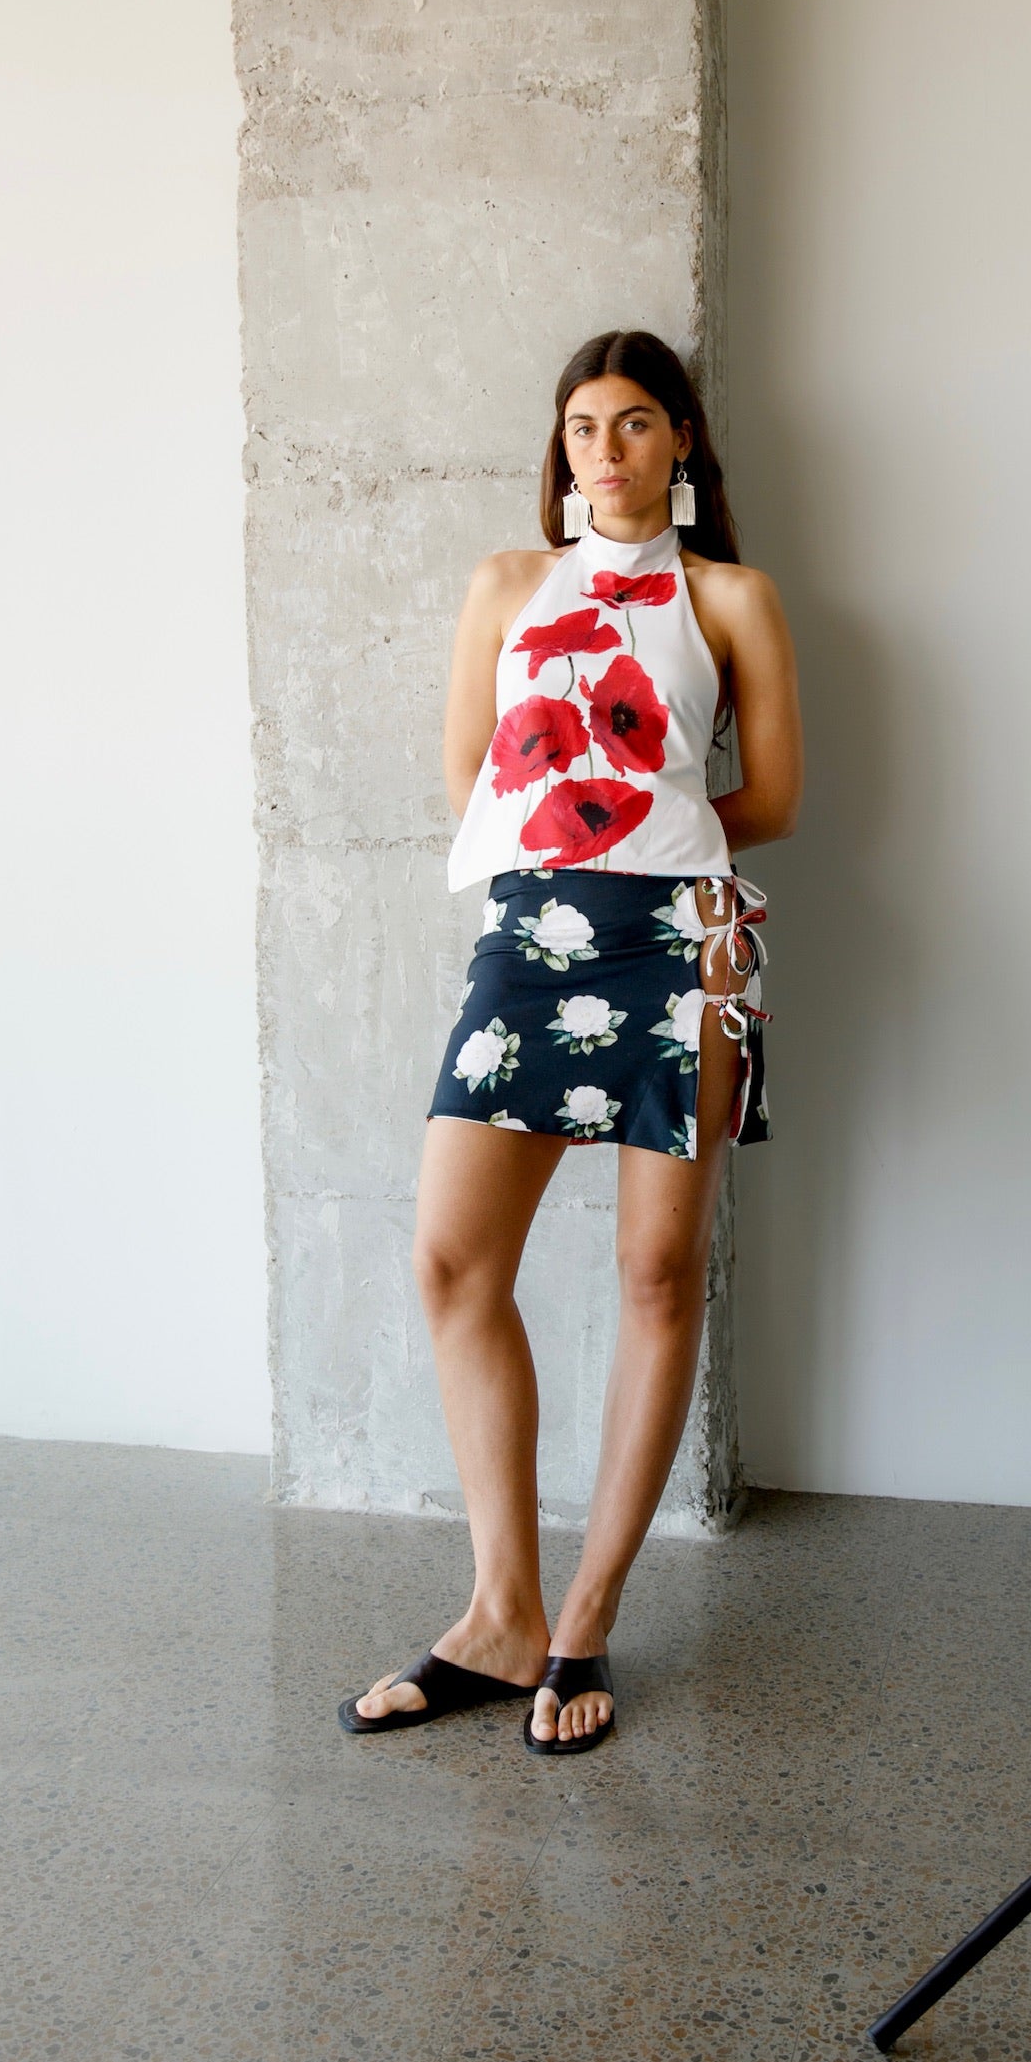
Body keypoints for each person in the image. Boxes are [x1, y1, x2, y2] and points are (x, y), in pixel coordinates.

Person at [337, 329, 803, 1753]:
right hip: (528, 937)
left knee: (656, 1274)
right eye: (584, 425)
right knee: (451, 1261)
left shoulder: (731, 596)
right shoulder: (506, 585)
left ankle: (584, 1618)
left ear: (682, 442)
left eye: (637, 421)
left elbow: (773, 797)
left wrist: (651, 845)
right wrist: (578, 852)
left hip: (683, 944)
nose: (607, 448)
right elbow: (471, 780)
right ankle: (499, 1615)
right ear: (562, 448)